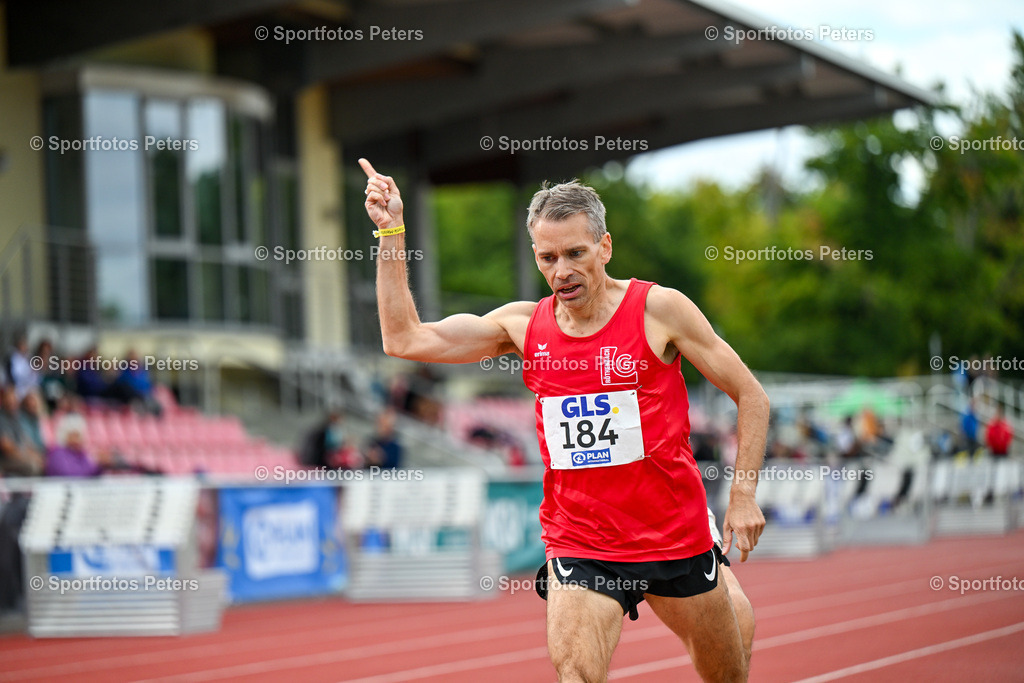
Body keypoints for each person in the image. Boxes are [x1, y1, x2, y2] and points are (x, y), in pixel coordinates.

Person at [361, 159, 766, 682]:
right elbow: (404, 339)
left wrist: (743, 493)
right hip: (581, 539)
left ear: (605, 247)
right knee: (576, 672)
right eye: (548, 258)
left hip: (673, 532)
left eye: (576, 253)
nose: (562, 271)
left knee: (729, 668)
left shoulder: (659, 310)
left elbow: (750, 395)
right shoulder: (523, 325)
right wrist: (391, 231)